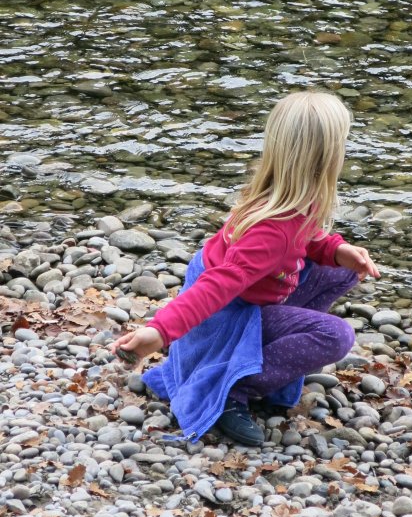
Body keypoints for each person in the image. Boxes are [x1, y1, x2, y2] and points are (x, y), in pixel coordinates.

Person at [110, 91, 380, 447]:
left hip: (252, 296)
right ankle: (230, 386)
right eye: (342, 143)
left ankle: (268, 356)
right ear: (324, 158)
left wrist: (336, 249)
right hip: (227, 315)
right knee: (337, 337)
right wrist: (159, 333)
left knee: (341, 269)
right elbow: (215, 287)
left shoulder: (291, 194)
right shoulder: (271, 232)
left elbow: (307, 237)